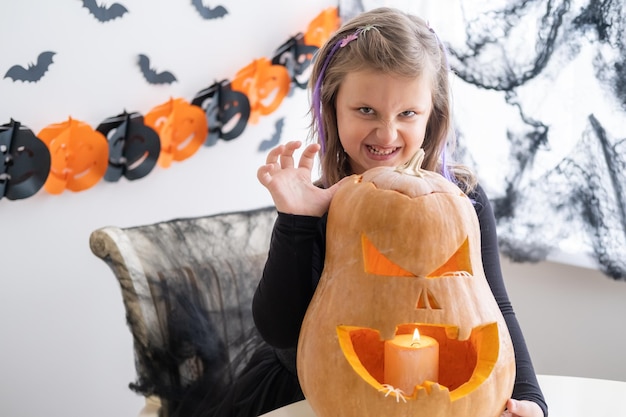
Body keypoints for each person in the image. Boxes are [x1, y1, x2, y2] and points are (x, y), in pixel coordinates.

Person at [254, 6, 548, 417]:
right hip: (312, 398)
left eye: (407, 113)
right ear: (332, 108)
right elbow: (279, 329)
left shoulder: (465, 200)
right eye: (366, 111)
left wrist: (532, 399)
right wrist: (297, 221)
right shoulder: (315, 202)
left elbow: (493, 310)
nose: (387, 133)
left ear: (433, 115)